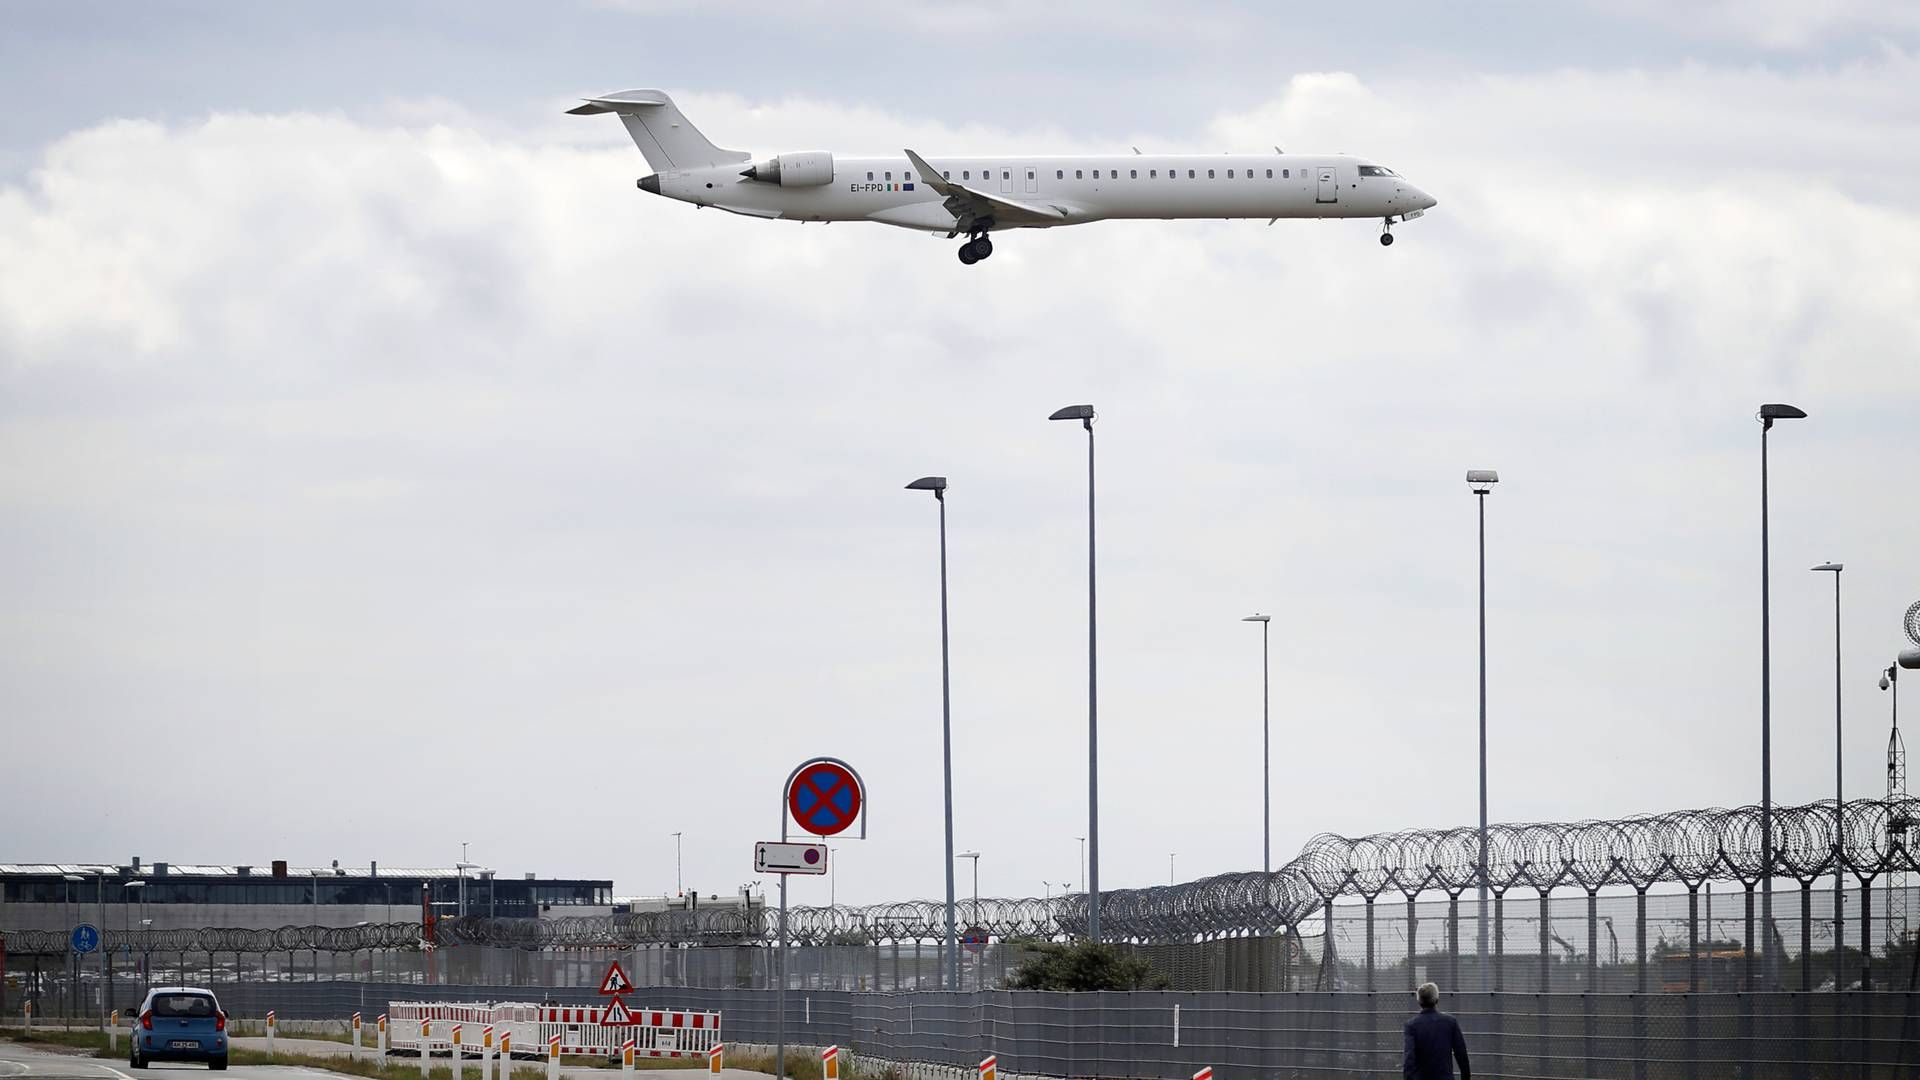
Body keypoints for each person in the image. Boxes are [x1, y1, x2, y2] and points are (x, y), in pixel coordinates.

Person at [1403, 982, 1471, 1080]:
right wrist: (1466, 1076)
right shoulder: (1450, 1022)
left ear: (1419, 1001)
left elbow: (1409, 1058)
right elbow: (1461, 1053)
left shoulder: (1411, 1025)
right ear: (1436, 999)